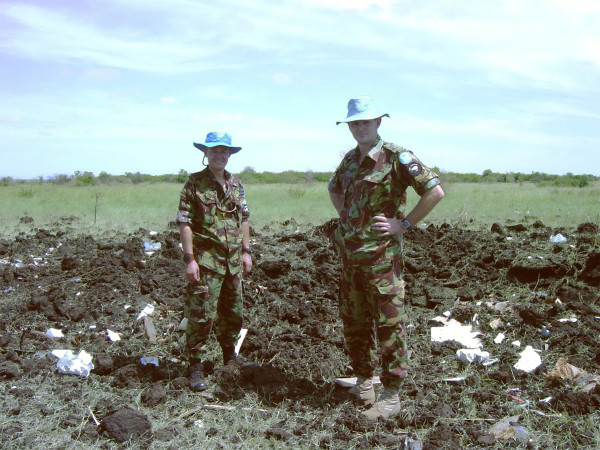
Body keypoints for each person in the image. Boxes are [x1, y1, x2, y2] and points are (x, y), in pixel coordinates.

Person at [328, 96, 445, 420]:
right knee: (355, 324)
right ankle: (365, 383)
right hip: (351, 261)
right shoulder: (350, 160)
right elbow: (333, 188)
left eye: (365, 121)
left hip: (382, 261)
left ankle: (391, 396)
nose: (360, 127)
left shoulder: (397, 156)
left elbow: (434, 191)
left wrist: (403, 224)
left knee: (390, 326)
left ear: (378, 122)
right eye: (354, 123)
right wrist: (346, 218)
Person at [177, 131, 253, 392]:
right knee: (202, 315)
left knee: (233, 312)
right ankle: (195, 365)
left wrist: (246, 251)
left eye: (224, 151)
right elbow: (184, 222)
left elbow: (243, 218)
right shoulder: (194, 184)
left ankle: (230, 357)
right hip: (207, 261)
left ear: (229, 154)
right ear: (205, 154)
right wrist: (189, 259)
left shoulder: (236, 183)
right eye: (214, 151)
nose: (219, 155)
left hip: (233, 261)